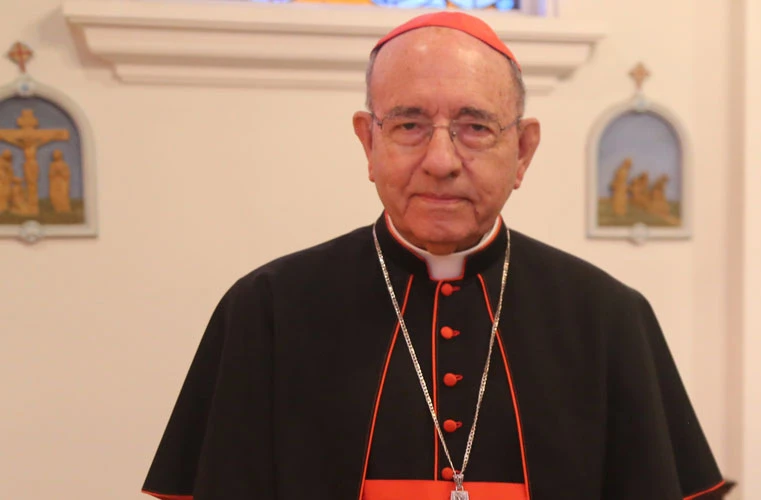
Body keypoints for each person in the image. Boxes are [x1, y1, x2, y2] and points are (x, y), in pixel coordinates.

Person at [142, 11, 724, 500]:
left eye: (475, 126)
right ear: (367, 143)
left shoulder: (608, 318)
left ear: (522, 151)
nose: (441, 160)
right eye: (409, 124)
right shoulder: (267, 310)